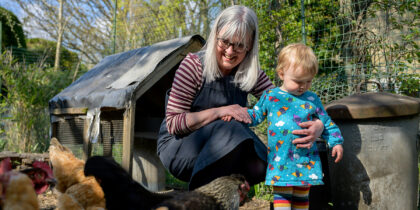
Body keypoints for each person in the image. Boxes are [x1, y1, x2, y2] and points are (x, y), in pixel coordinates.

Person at [157, 5, 325, 190]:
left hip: (227, 147)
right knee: (232, 128)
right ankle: (201, 199)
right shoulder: (193, 66)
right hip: (180, 147)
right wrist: (220, 111)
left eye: (239, 45)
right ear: (215, 36)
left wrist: (317, 125)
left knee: (262, 156)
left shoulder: (250, 72)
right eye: (225, 42)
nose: (230, 51)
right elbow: (174, 123)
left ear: (250, 46)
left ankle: (236, 190)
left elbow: (285, 106)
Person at [244, 43, 344, 210]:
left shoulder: (312, 99)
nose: (303, 86)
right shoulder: (271, 96)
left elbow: (326, 123)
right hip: (281, 161)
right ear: (281, 74)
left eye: (308, 81)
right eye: (298, 81)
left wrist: (336, 142)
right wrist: (240, 115)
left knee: (301, 201)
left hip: (306, 162)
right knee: (282, 201)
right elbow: (255, 115)